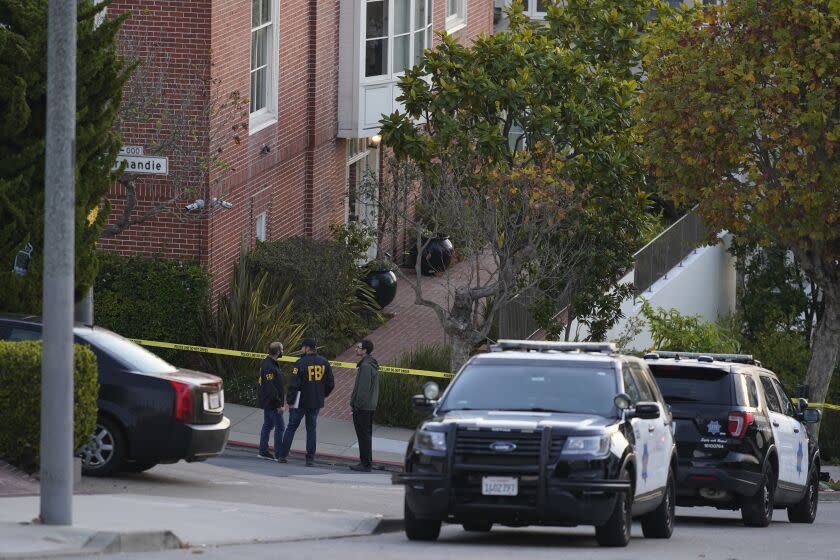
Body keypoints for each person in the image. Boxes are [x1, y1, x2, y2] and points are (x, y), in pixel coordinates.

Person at [276, 337, 334, 466]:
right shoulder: (324, 362)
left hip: (300, 400)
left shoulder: (300, 363)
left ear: (307, 348)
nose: (301, 349)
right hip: (316, 402)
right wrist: (322, 395)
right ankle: (310, 459)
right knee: (311, 429)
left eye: (302, 347)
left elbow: (293, 385)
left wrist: (290, 401)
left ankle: (283, 455)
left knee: (291, 427)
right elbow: (330, 383)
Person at [349, 339, 379, 472]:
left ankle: (365, 464)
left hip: (363, 407)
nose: (356, 349)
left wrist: (356, 405)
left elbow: (363, 390)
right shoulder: (368, 364)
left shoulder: (366, 366)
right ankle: (367, 462)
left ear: (365, 350)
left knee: (363, 435)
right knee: (366, 435)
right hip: (368, 406)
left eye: (358, 347)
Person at [257, 341, 285, 460]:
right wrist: (279, 404)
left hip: (269, 401)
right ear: (278, 351)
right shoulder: (269, 366)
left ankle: (263, 451)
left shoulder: (270, 363)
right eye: (282, 349)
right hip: (273, 403)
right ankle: (279, 454)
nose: (283, 351)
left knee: (268, 425)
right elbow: (271, 387)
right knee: (280, 427)